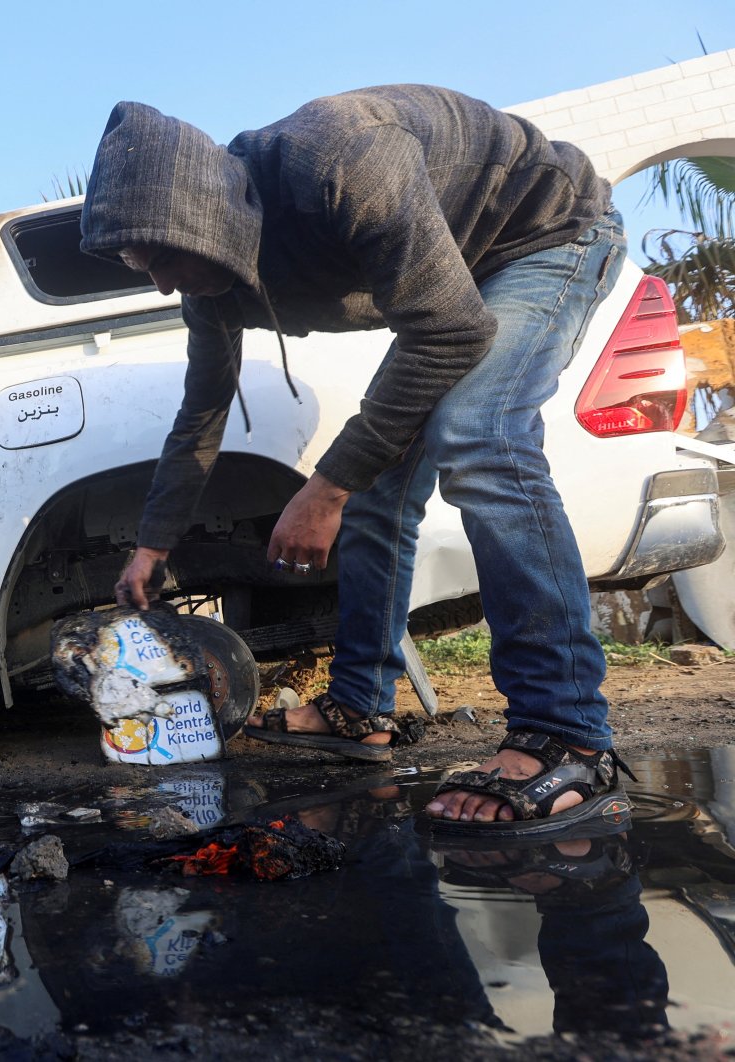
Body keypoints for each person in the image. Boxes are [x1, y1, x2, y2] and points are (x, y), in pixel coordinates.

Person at [79, 85, 631, 831]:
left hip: (545, 236)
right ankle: (358, 708)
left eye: (168, 257)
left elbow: (451, 331)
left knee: (479, 436)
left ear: (207, 214)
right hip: (453, 284)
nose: (165, 282)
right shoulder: (209, 283)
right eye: (143, 267)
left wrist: (326, 485)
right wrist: (151, 546)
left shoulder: (338, 155)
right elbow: (201, 412)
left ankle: (566, 736)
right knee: (376, 495)